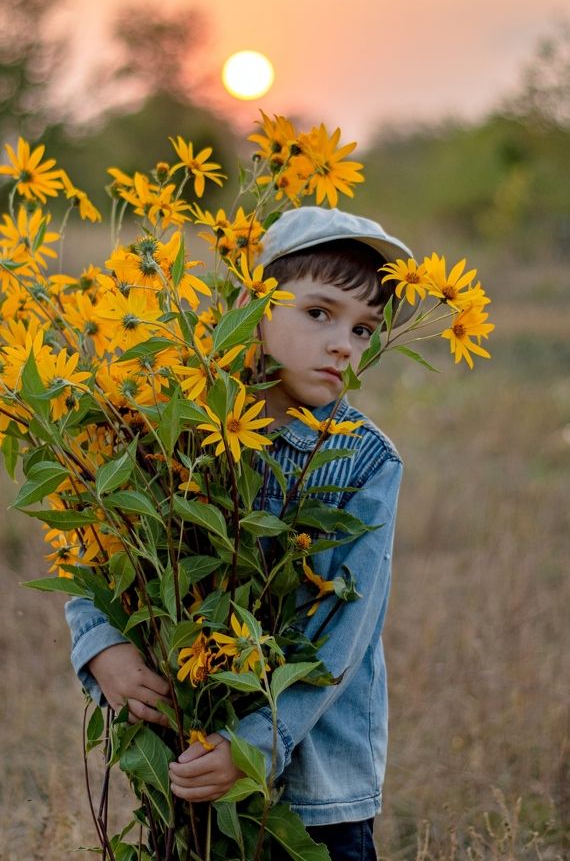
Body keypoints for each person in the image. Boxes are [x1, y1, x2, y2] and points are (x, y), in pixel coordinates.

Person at [65, 206, 413, 861]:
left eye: (364, 329)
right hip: (186, 761)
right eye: (320, 312)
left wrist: (253, 745)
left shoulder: (366, 462)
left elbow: (341, 632)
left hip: (313, 784)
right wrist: (101, 642)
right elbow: (102, 547)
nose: (344, 344)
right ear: (254, 305)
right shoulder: (171, 425)